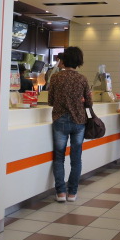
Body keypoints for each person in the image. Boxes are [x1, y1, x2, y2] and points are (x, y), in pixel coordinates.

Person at [47, 47, 91, 202]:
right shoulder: (82, 79)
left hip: (60, 120)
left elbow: (50, 101)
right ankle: (72, 193)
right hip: (79, 121)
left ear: (64, 60)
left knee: (59, 158)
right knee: (76, 159)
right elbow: (89, 103)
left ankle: (60, 193)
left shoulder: (55, 78)